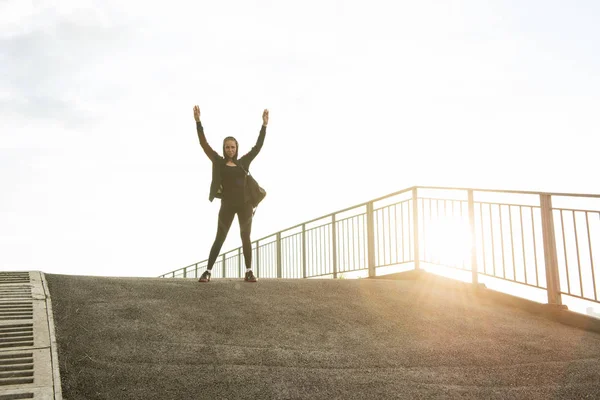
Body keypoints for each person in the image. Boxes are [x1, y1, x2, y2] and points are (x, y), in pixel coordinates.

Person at [193, 105, 269, 283]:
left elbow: (257, 147)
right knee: (220, 237)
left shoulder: (244, 162)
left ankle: (249, 271)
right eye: (227, 147)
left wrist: (264, 126)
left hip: (245, 205)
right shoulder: (218, 162)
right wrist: (198, 122)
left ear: (237, 148)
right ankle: (208, 271)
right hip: (226, 205)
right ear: (224, 148)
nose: (230, 150)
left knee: (245, 237)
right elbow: (204, 145)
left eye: (233, 147)